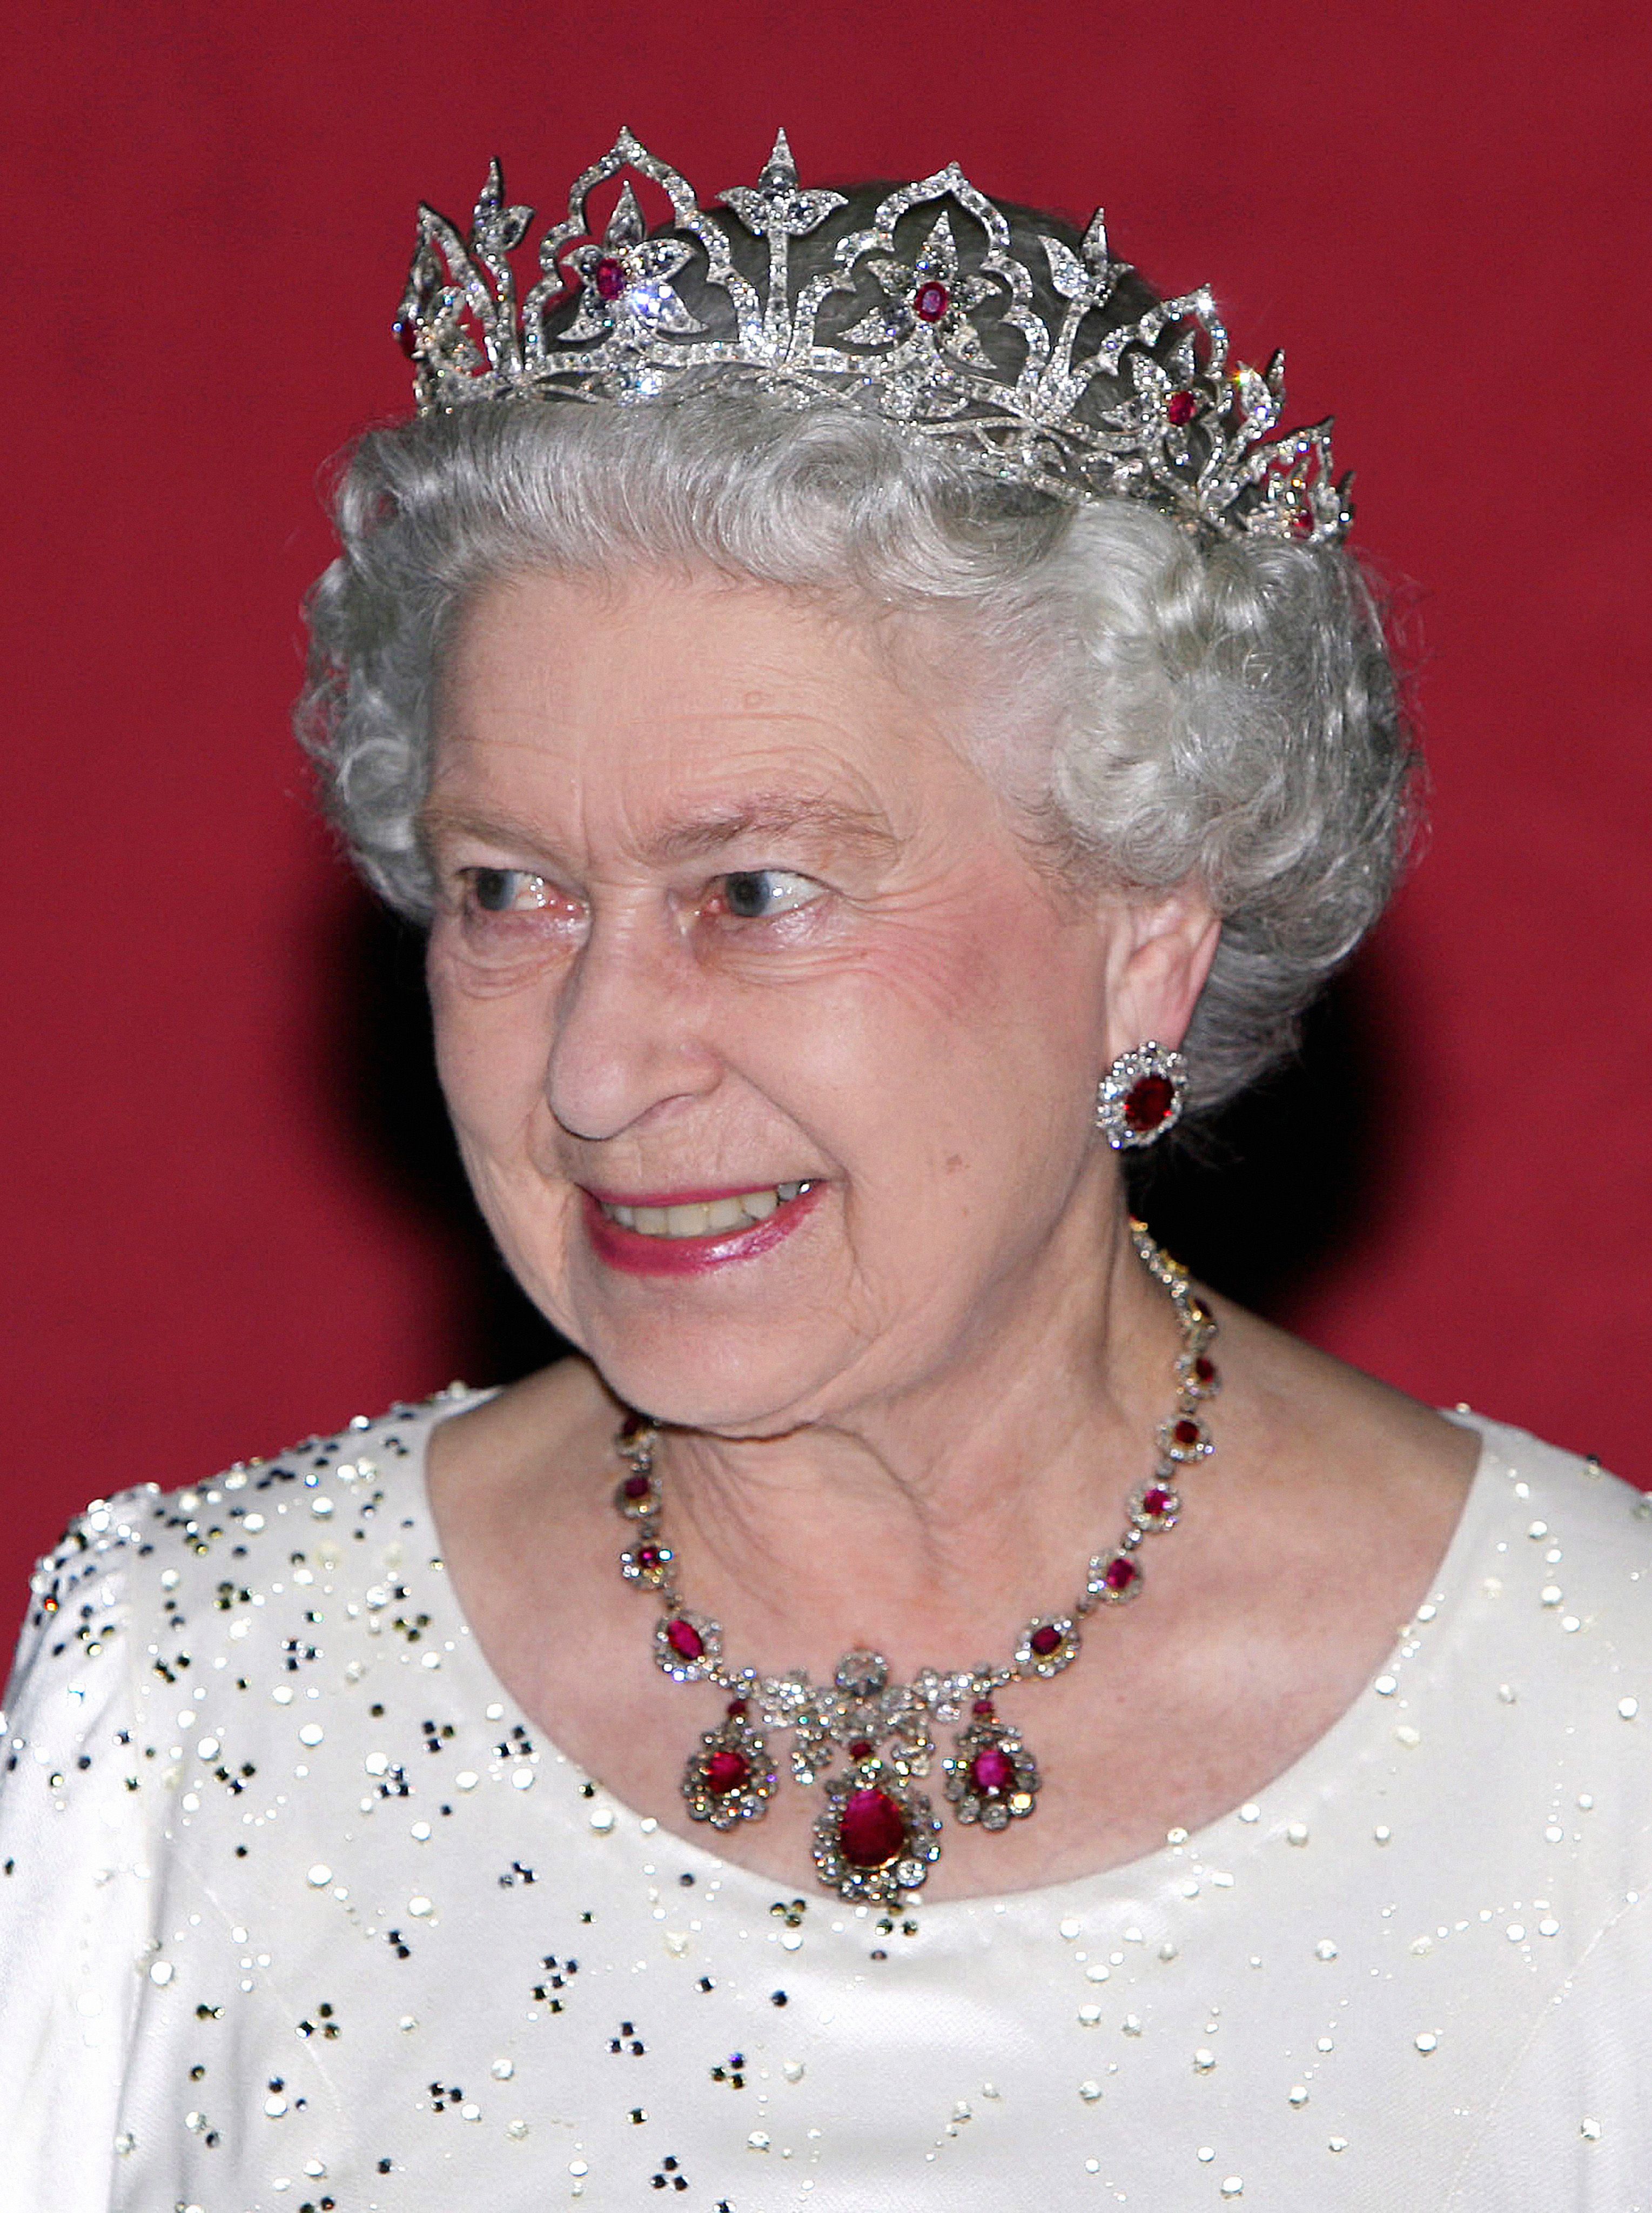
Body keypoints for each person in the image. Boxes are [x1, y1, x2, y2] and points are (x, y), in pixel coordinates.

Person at [2, 129, 1647, 2211]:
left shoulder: (1600, 1729)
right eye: (506, 889)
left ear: (1146, 926)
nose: (591, 1071)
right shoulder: (199, 1700)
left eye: (752, 890)